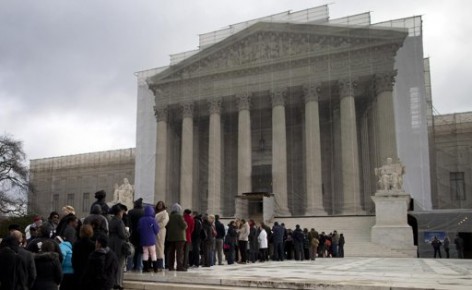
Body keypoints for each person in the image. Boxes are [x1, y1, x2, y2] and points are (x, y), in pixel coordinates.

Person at [108, 204, 129, 290]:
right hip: (119, 244)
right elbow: (123, 234)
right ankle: (118, 283)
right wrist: (128, 233)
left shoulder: (111, 220)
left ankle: (113, 282)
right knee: (120, 264)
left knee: (113, 264)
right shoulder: (119, 221)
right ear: (119, 212)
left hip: (111, 243)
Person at [72, 224, 96, 289]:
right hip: (90, 271)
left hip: (79, 271)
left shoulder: (76, 244)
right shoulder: (93, 245)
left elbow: (74, 259)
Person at [166, 203, 187, 271]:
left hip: (171, 237)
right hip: (180, 237)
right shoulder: (179, 216)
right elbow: (184, 226)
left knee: (171, 253)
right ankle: (179, 266)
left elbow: (167, 226)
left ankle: (170, 266)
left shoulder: (169, 216)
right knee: (179, 253)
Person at [138, 205, 159, 272]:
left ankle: (145, 268)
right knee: (153, 253)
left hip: (143, 239)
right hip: (151, 239)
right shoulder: (153, 220)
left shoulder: (141, 220)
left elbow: (138, 229)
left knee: (145, 253)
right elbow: (156, 230)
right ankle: (155, 268)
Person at [127, 197, 144, 272]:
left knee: (132, 249)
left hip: (133, 233)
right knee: (140, 250)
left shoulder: (130, 212)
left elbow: (128, 223)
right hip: (141, 233)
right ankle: (138, 266)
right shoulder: (143, 212)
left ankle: (130, 266)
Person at [154, 200, 169, 271]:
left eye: (161, 204)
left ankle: (159, 265)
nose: (159, 205)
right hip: (153, 231)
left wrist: (155, 226)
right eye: (158, 204)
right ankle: (154, 264)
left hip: (160, 231)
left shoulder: (165, 213)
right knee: (153, 248)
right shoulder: (154, 212)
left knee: (160, 247)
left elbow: (164, 222)